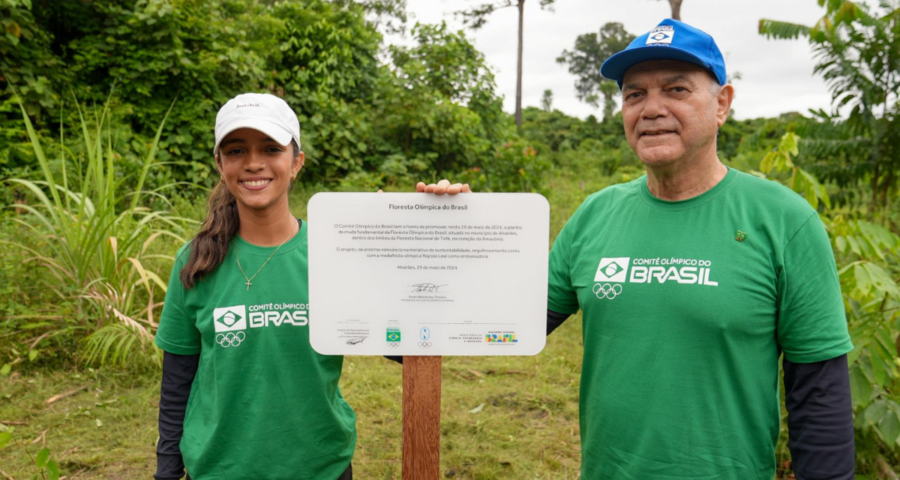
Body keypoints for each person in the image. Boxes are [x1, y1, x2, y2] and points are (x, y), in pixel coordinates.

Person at [421, 19, 854, 480]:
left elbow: (820, 395)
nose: (651, 109)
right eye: (634, 95)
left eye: (676, 90)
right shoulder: (596, 214)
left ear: (722, 103)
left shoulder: (784, 220)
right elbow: (501, 324)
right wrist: (446, 243)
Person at [154, 93, 355, 480]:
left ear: (296, 162)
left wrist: (435, 223)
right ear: (220, 164)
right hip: (218, 469)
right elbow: (178, 378)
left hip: (320, 467)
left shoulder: (334, 254)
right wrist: (167, 469)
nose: (253, 163)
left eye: (270, 148)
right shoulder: (196, 261)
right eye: (235, 150)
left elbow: (403, 347)